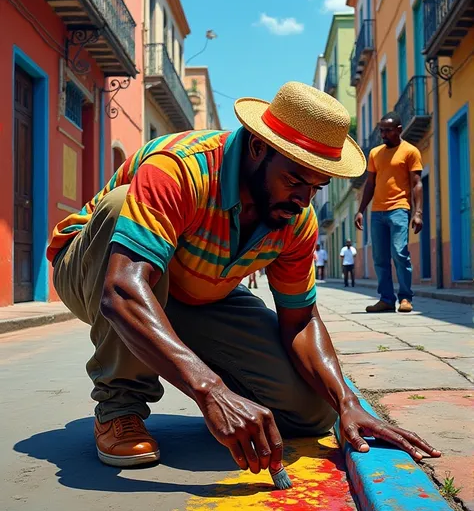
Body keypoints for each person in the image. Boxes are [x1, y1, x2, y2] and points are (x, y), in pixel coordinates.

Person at [47, 82, 439, 474]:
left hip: (197, 295)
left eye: (316, 188)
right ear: (256, 148)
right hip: (96, 271)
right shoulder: (180, 168)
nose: (304, 200)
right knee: (121, 206)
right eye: (295, 181)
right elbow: (122, 289)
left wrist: (347, 401)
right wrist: (210, 390)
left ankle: (239, 401)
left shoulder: (297, 219)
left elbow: (300, 320)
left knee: (311, 411)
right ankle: (119, 407)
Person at [355, 112, 423, 313]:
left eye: (387, 130)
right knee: (380, 258)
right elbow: (370, 184)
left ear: (399, 130)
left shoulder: (410, 152)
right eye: (381, 130)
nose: (383, 134)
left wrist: (418, 212)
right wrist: (360, 210)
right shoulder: (375, 153)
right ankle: (386, 299)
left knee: (399, 252)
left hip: (400, 209)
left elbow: (417, 183)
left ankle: (405, 298)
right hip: (377, 212)